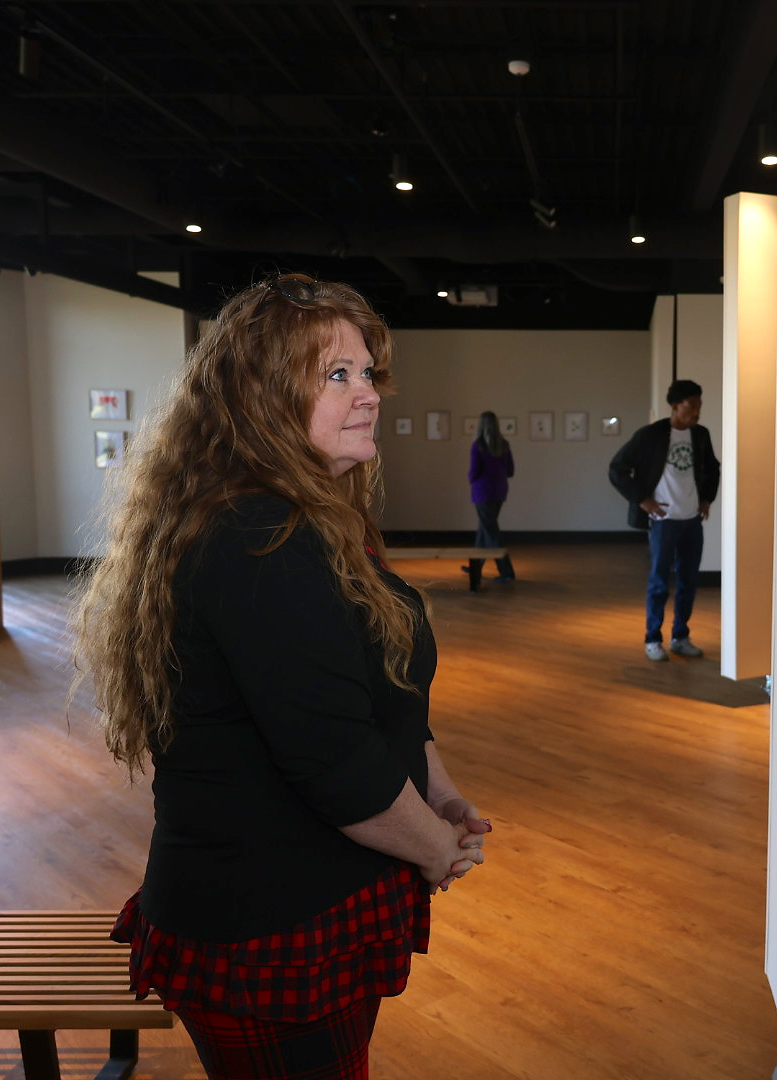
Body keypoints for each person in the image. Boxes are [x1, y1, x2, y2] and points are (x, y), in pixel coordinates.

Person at [70, 273, 490, 1080]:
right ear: (260, 397)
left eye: (368, 373)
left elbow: (373, 686)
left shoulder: (313, 517)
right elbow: (336, 767)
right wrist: (436, 848)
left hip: (309, 901)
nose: (368, 393)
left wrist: (437, 788)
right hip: (266, 923)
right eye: (337, 375)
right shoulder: (257, 535)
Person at [607, 378, 720, 662]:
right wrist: (642, 499)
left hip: (692, 520)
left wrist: (707, 499)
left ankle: (680, 637)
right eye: (691, 405)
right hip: (664, 521)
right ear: (675, 405)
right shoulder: (650, 435)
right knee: (659, 582)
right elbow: (617, 468)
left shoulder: (701, 435)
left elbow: (713, 469)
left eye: (699, 406)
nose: (696, 411)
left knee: (688, 581)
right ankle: (652, 639)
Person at [467, 411, 516, 581]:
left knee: (491, 532)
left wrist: (472, 479)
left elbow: (474, 472)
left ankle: (507, 571)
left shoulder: (478, 446)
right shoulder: (504, 445)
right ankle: (476, 565)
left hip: (482, 492)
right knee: (485, 529)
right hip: (500, 491)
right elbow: (510, 470)